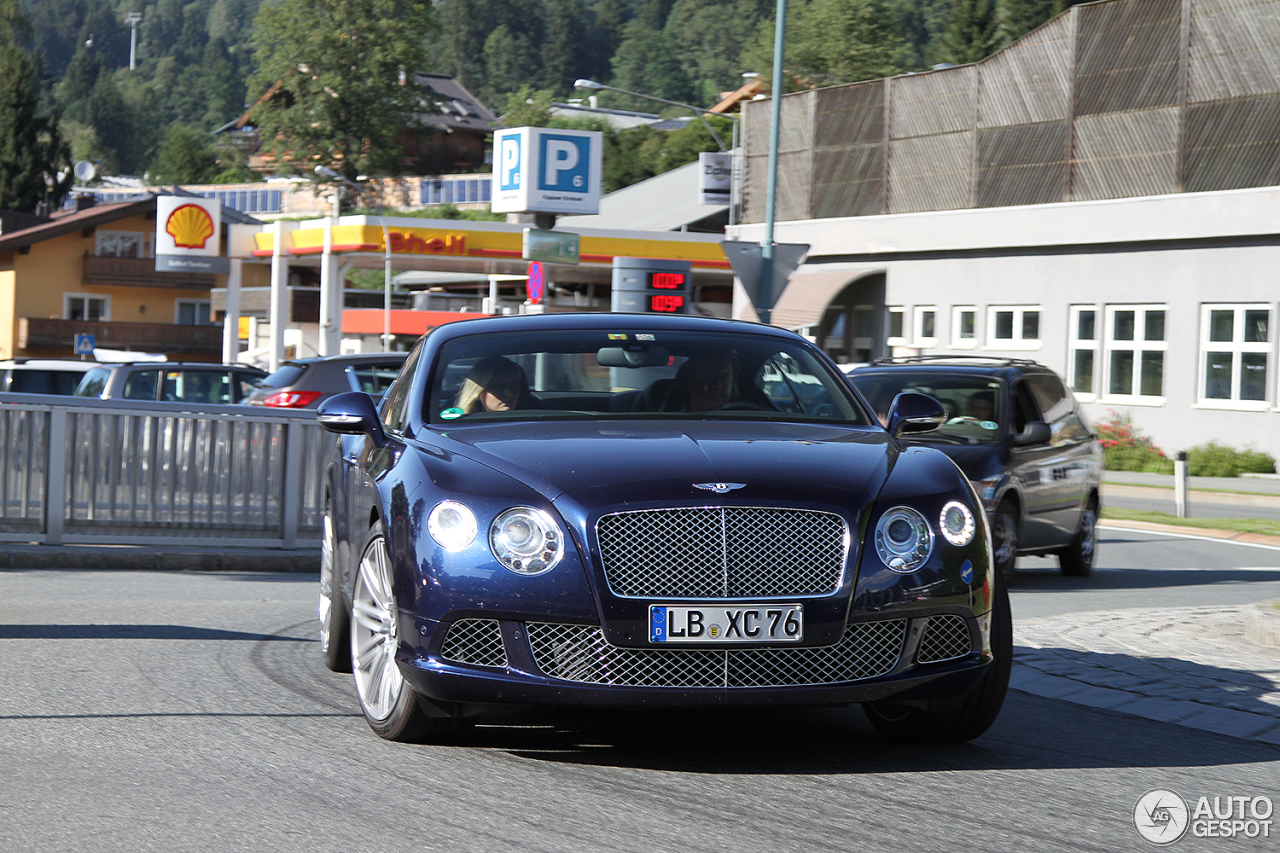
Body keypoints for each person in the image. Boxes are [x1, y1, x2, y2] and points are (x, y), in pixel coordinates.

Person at [454, 355, 535, 414]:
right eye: (498, 386)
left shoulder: (536, 423)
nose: (509, 393)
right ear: (478, 392)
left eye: (514, 385)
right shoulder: (457, 426)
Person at [664, 351, 738, 412]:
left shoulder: (745, 422)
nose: (717, 385)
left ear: (733, 384)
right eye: (708, 377)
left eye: (724, 379)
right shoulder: (664, 421)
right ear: (690, 380)